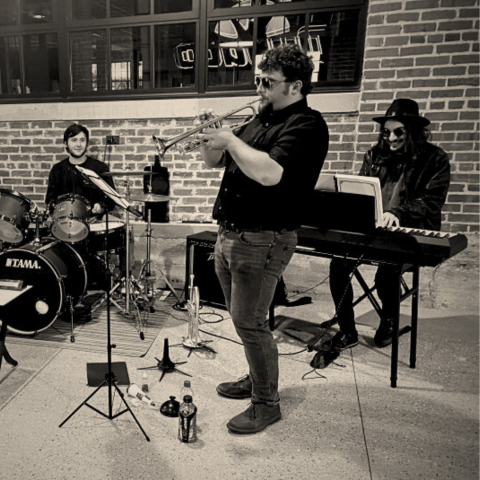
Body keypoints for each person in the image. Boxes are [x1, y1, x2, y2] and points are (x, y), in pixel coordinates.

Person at [197, 44, 329, 434]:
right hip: (231, 234)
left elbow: (270, 174)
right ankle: (258, 379)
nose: (260, 90)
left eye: (268, 83)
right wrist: (210, 138)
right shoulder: (259, 120)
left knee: (250, 322)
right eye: (258, 80)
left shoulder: (306, 125)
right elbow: (215, 161)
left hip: (264, 238)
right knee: (244, 321)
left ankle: (267, 403)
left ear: (296, 85)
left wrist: (231, 139)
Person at [328, 98, 451, 352]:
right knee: (338, 264)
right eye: (386, 132)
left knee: (387, 270)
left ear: (414, 132)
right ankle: (346, 329)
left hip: (408, 232)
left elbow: (431, 202)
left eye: (398, 132)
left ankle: (389, 320)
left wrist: (398, 212)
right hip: (374, 229)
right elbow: (361, 191)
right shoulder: (374, 155)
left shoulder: (435, 158)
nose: (391, 138)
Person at [46, 124, 119, 290]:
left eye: (82, 140)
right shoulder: (57, 170)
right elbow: (50, 200)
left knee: (124, 230)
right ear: (66, 143)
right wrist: (55, 210)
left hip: (95, 219)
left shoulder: (100, 168)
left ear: (87, 143)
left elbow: (111, 199)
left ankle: (112, 279)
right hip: (65, 222)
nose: (78, 144)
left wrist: (100, 206)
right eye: (73, 140)